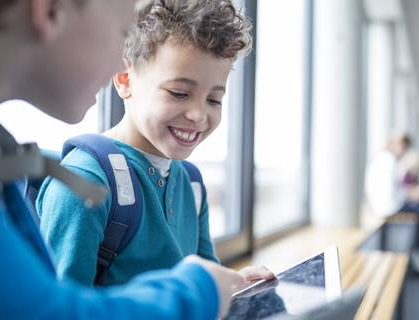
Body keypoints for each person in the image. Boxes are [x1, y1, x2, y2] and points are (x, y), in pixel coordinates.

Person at [0, 0, 251, 318]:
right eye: (122, 30)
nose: (121, 59)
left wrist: (229, 287)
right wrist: (200, 291)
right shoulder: (85, 176)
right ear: (49, 11)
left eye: (214, 99)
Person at [36, 0, 273, 288]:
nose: (199, 115)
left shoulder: (192, 184)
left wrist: (234, 285)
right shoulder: (84, 182)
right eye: (179, 93)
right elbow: (64, 309)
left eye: (214, 99)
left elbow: (204, 282)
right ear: (125, 80)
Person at [364, 130, 419, 279]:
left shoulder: (382, 158)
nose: (404, 151)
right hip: (389, 207)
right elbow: (391, 193)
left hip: (385, 204)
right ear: (396, 144)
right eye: (403, 147)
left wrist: (409, 193)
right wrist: (410, 194)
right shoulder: (388, 160)